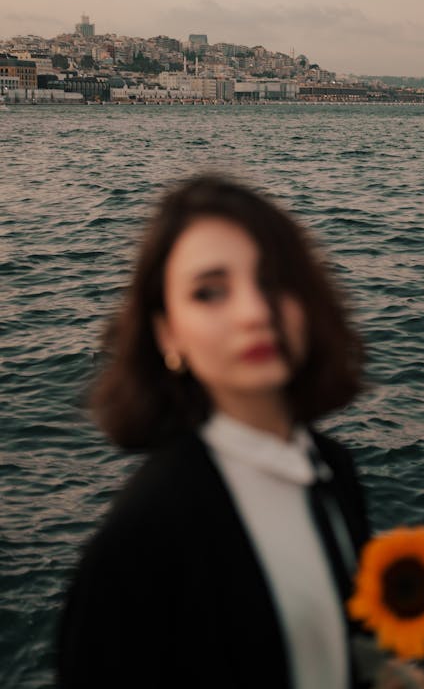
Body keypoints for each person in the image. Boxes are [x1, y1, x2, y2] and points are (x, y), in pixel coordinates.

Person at [57, 174, 370, 688]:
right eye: (210, 292)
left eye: (271, 280)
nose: (253, 313)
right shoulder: (140, 542)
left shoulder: (333, 471)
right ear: (167, 333)